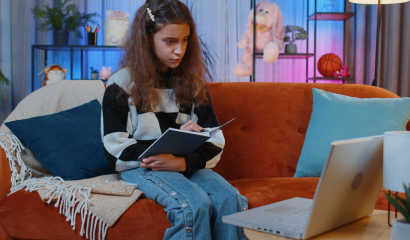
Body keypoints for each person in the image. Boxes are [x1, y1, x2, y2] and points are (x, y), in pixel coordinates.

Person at [101, 0, 248, 239]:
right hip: (141, 167)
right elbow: (115, 149)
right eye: (170, 41)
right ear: (148, 39)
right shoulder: (121, 84)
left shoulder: (194, 84)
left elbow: (215, 141)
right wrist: (163, 156)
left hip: (184, 163)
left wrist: (183, 161)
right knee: (193, 203)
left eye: (185, 40)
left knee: (229, 198)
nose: (179, 50)